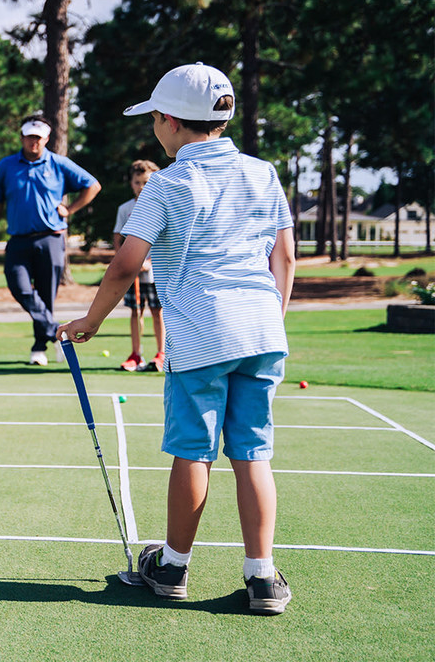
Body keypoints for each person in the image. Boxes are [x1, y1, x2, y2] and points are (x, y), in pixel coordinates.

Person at [58, 62, 296, 615]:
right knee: (253, 453)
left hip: (202, 333)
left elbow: (125, 265)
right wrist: (270, 319)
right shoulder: (263, 173)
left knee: (193, 452)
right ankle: (262, 577)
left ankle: (171, 568)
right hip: (262, 329)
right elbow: (283, 257)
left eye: (154, 121)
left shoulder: (166, 183)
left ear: (168, 121)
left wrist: (89, 322)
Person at [0, 116, 101, 365]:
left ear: (46, 139)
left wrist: (71, 209)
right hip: (19, 240)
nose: (34, 141)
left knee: (45, 296)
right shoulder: (7, 166)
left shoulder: (58, 163)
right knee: (18, 285)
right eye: (29, 137)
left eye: (38, 137)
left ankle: (38, 348)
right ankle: (55, 331)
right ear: (21, 138)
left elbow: (93, 185)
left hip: (51, 239)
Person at [113, 160, 166, 372]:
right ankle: (136, 354)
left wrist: (149, 262)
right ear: (132, 183)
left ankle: (161, 353)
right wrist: (128, 262)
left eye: (146, 182)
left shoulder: (161, 204)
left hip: (155, 273)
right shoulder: (125, 209)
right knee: (135, 312)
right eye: (137, 182)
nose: (141, 186)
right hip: (133, 274)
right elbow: (119, 237)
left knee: (157, 311)